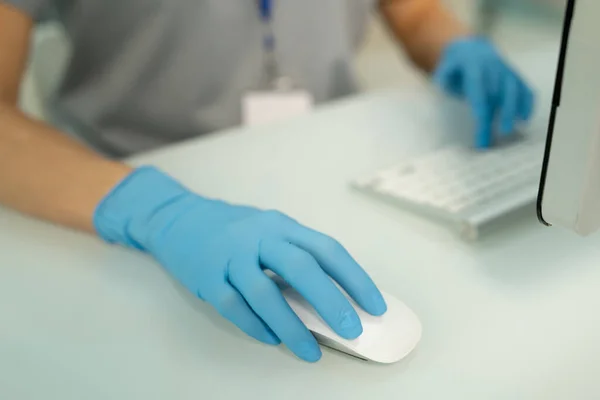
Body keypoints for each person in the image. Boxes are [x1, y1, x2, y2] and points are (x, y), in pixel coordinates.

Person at [0, 0, 534, 362]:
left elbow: (413, 12)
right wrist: (158, 211)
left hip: (338, 174)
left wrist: (456, 44)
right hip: (112, 198)